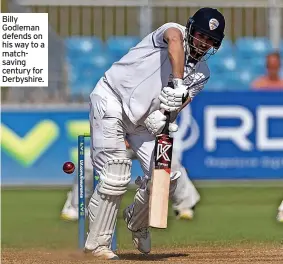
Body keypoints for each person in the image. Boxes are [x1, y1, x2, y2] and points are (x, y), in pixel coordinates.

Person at [81, 7, 225, 259]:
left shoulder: (203, 73)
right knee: (115, 174)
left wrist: (165, 117)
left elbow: (180, 102)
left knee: (166, 178)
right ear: (190, 29)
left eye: (211, 40)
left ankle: (136, 222)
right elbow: (174, 43)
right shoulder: (171, 32)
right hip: (111, 98)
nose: (204, 43)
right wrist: (178, 82)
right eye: (201, 35)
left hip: (144, 122)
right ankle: (98, 245)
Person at [61, 139, 200, 221]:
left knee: (171, 163)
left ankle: (185, 205)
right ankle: (75, 207)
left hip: (148, 141)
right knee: (87, 164)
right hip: (117, 142)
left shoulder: (156, 92)